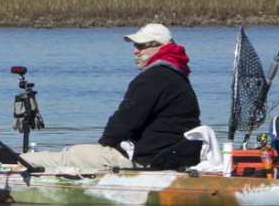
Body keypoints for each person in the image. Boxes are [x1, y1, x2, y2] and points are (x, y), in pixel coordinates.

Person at [11, 24, 203, 170]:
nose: (135, 50)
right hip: (168, 156)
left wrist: (103, 145)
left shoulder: (153, 77)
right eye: (135, 45)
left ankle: (11, 162)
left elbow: (124, 121)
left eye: (141, 45)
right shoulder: (179, 76)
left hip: (144, 161)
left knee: (69, 156)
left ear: (159, 47)